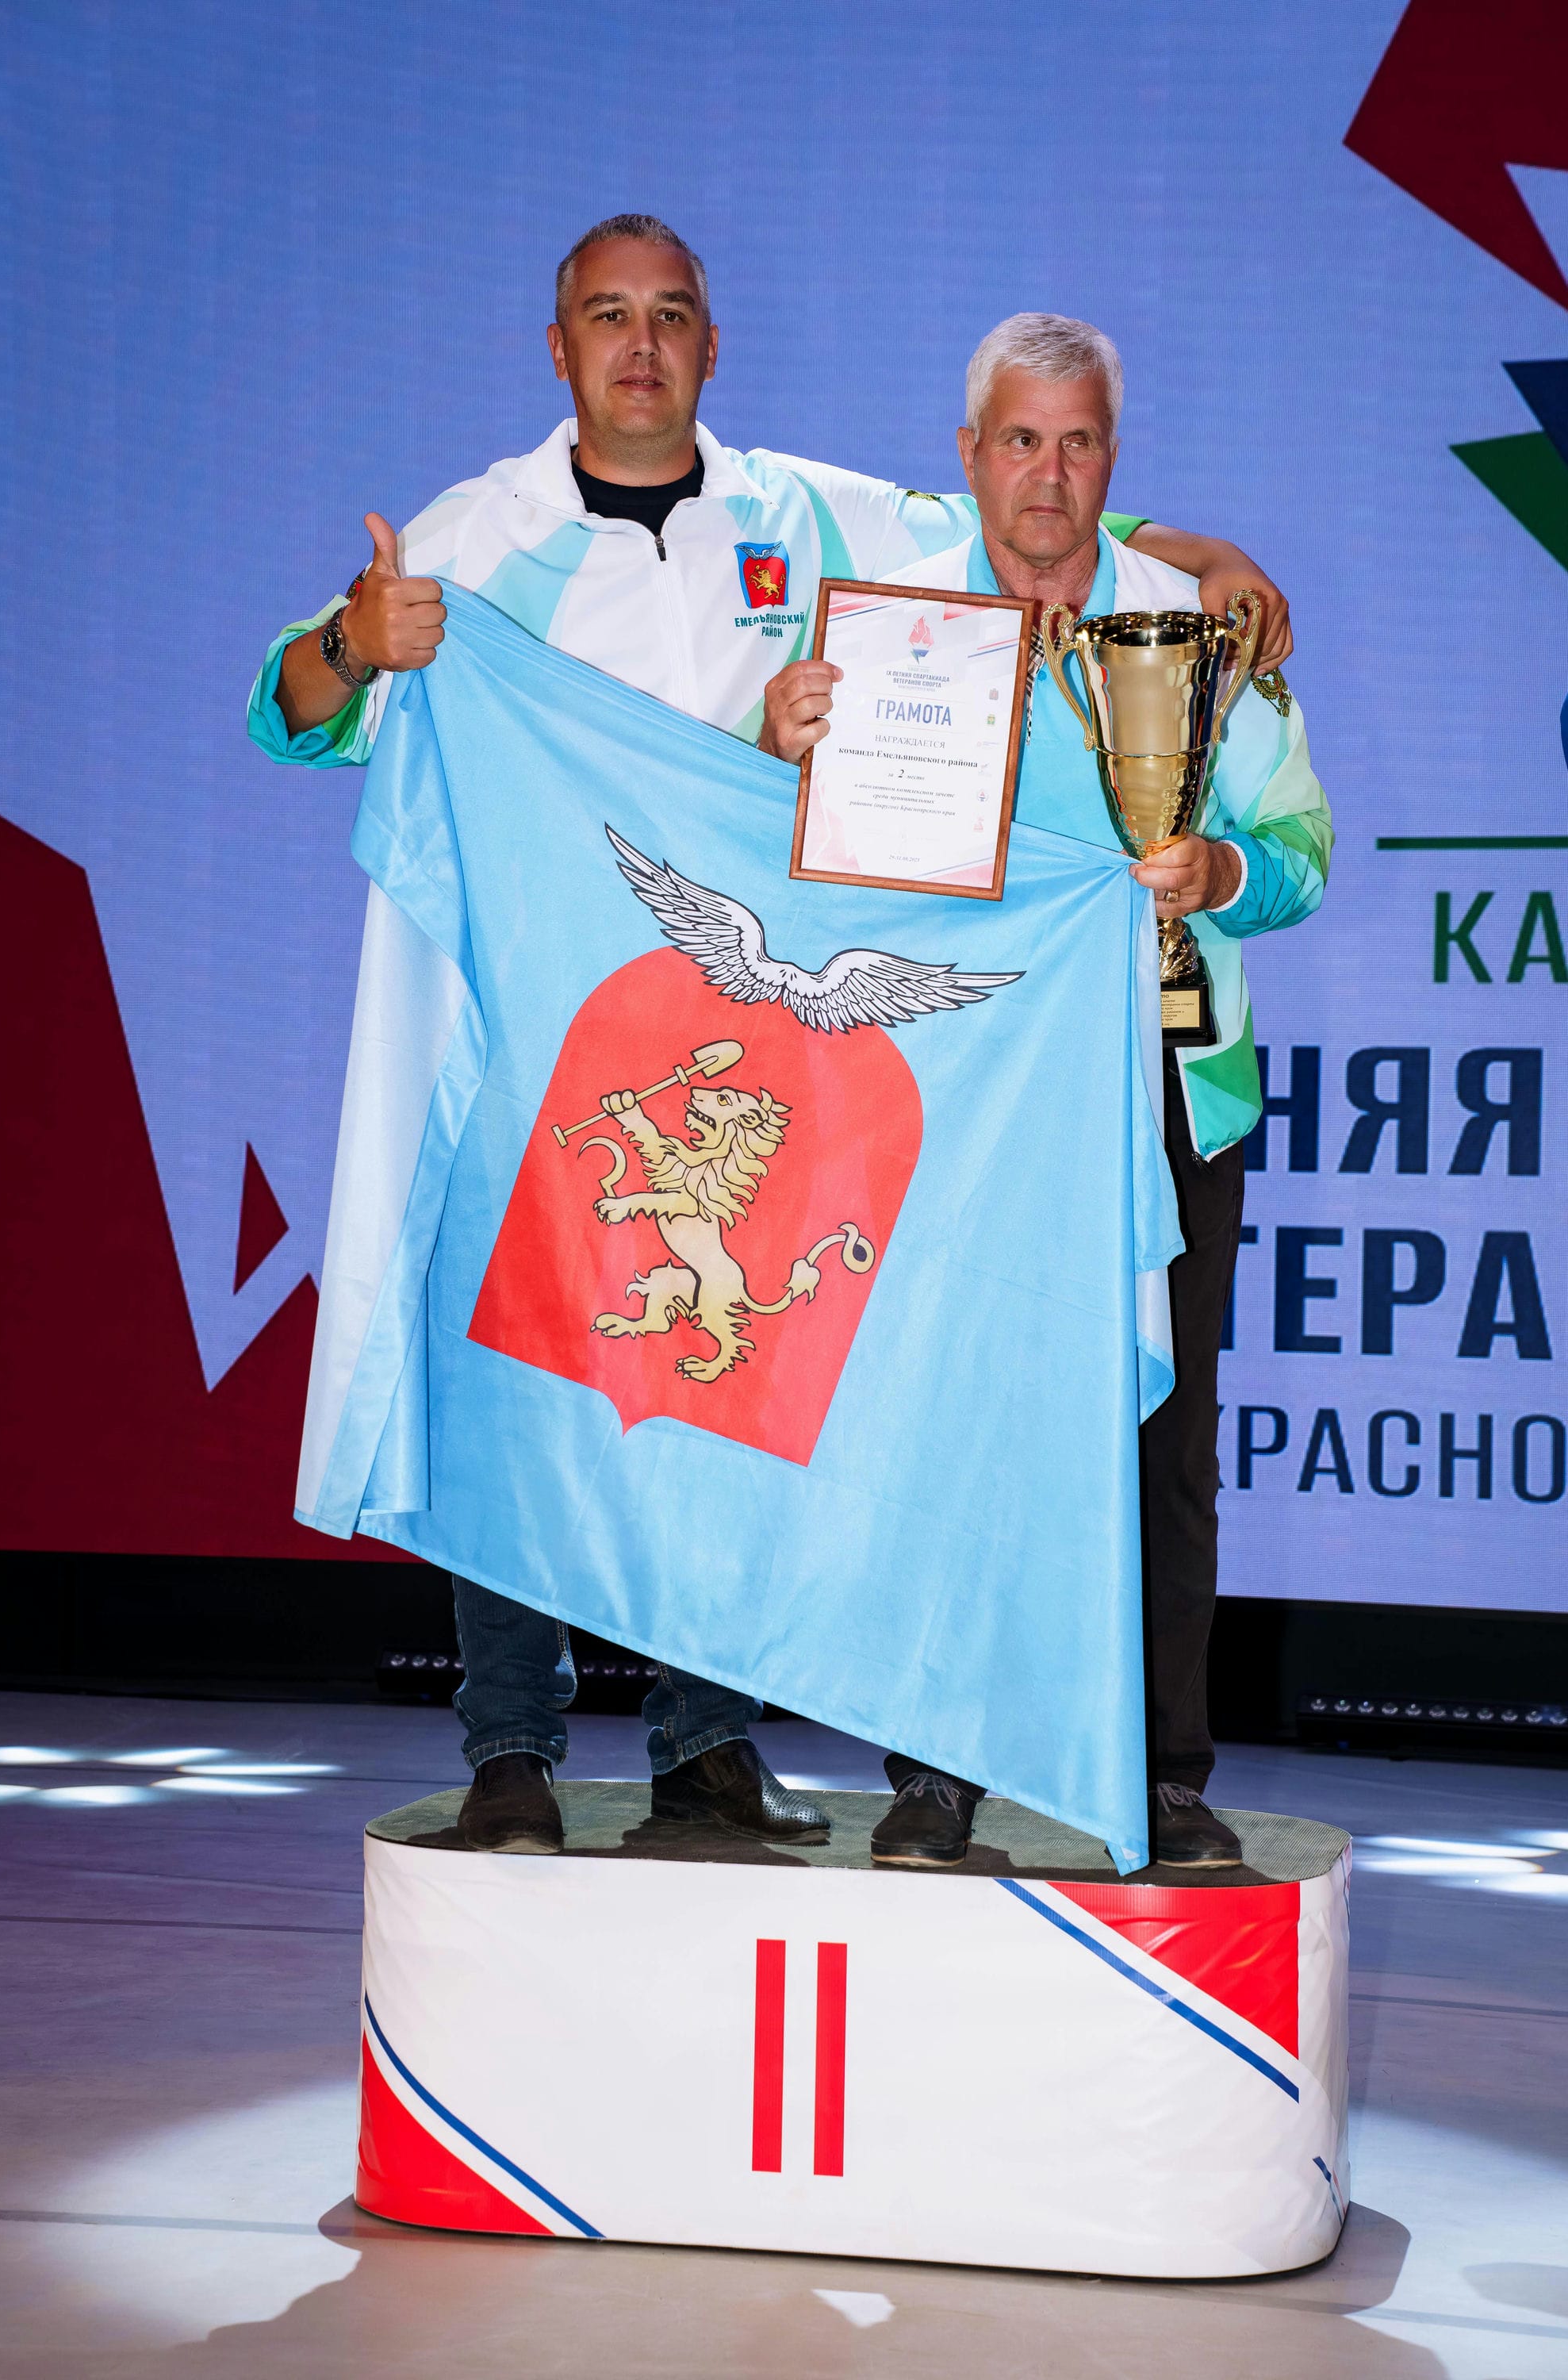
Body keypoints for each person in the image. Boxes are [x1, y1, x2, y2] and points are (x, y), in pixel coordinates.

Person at [252, 218, 1298, 1860]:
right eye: (609, 317)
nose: (641, 347)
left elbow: (1013, 512)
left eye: (670, 315)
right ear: (560, 347)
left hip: (737, 1033)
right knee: (520, 1370)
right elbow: (294, 711)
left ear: (711, 345)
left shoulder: (800, 514)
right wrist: (345, 649)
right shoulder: (473, 531)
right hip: (550, 1019)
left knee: (721, 1376)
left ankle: (705, 1749)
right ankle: (512, 1748)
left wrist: (1197, 553)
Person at [762, 313, 1332, 1871]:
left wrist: (1220, 871)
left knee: (1163, 1448)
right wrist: (781, 747)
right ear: (969, 456)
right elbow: (813, 861)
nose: (1048, 473)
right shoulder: (897, 626)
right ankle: (936, 1773)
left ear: (1111, 459)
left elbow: (1302, 848)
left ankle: (1161, 1780)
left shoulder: (1203, 624)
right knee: (949, 1435)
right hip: (959, 1088)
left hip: (1165, 1083)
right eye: (1020, 439)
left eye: (1078, 442)